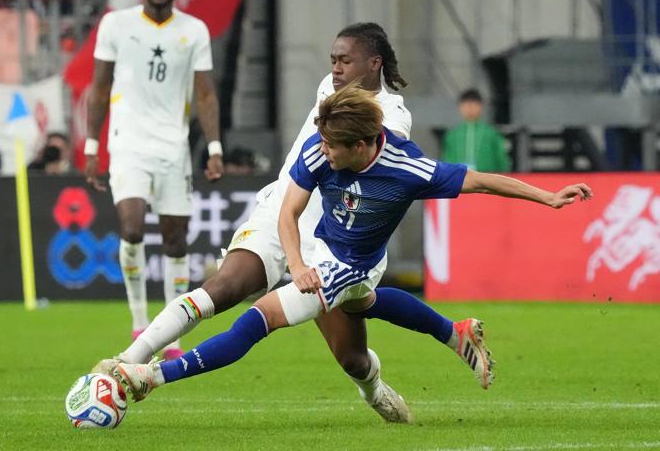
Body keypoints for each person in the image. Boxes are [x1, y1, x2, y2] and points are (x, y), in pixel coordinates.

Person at [103, 84, 593, 422]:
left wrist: (547, 197)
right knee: (365, 307)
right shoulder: (323, 146)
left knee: (255, 322)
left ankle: (153, 377)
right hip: (320, 250)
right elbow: (289, 211)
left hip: (346, 264)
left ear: (363, 145)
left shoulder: (409, 169)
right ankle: (454, 332)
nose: (324, 152)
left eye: (335, 148)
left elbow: (482, 180)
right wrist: (295, 264)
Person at [94, 23, 495, 423]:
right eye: (333, 60)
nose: (336, 69)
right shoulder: (330, 87)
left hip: (331, 240)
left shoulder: (391, 119)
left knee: (352, 357)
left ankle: (374, 389)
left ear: (373, 65)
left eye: (345, 61)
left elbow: (386, 165)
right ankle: (127, 361)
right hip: (282, 210)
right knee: (223, 287)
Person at [84, 0, 224, 359]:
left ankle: (173, 337)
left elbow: (205, 94)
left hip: (173, 148)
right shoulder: (116, 24)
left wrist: (214, 149)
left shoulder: (193, 30)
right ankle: (138, 319)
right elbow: (98, 88)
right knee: (130, 227)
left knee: (175, 240)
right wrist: (93, 148)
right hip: (127, 143)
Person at [441, 88, 511, 172]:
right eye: (466, 105)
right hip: (458, 181)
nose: (469, 109)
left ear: (481, 106)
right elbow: (446, 160)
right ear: (460, 107)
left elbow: (502, 160)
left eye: (473, 105)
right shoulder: (452, 134)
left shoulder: (491, 133)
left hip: (486, 179)